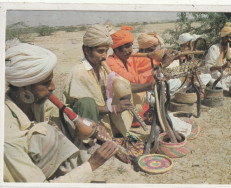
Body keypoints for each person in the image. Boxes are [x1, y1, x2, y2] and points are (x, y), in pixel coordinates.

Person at [4, 41, 117, 182]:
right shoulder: (8, 137)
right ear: (24, 91)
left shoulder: (31, 101)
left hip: (42, 164)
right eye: (46, 83)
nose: (52, 87)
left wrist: (88, 124)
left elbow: (62, 113)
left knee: (63, 124)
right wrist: (91, 165)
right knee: (45, 134)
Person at [63, 24, 134, 138]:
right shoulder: (79, 73)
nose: (105, 56)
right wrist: (114, 108)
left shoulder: (102, 70)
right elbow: (85, 108)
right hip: (84, 127)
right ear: (87, 51)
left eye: (106, 51)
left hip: (104, 122)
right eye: (100, 51)